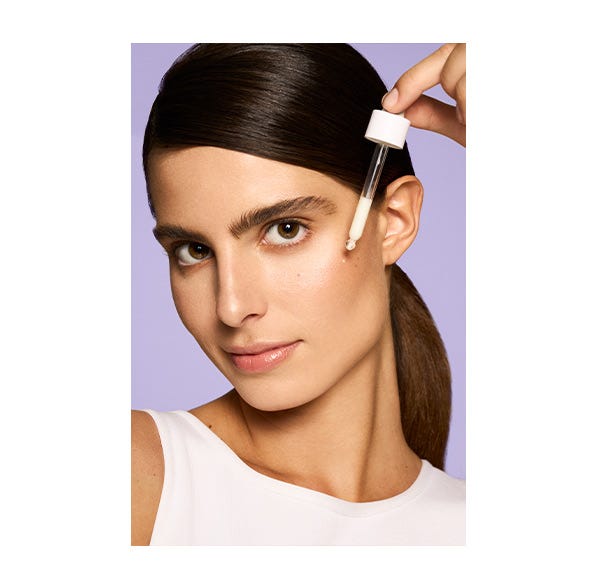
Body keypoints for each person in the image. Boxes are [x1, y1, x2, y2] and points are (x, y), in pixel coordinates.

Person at [132, 43, 466, 546]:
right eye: (194, 250)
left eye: (284, 229)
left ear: (394, 221)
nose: (232, 307)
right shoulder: (135, 477)